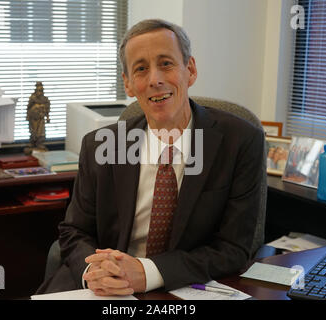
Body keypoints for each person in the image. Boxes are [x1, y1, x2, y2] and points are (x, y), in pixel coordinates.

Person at [36, 19, 265, 295]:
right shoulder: (100, 146)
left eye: (166, 63)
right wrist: (94, 272)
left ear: (190, 70)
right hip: (104, 285)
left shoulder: (240, 141)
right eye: (141, 69)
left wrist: (148, 272)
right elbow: (74, 231)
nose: (155, 80)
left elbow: (234, 248)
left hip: (185, 284)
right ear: (129, 84)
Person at [26, 81, 50, 151]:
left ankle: (39, 143)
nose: (39, 92)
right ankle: (32, 142)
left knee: (41, 132)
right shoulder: (32, 98)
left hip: (41, 118)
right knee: (33, 131)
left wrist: (48, 117)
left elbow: (47, 108)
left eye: (41, 90)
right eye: (38, 90)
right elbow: (28, 107)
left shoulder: (45, 99)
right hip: (33, 117)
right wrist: (28, 116)